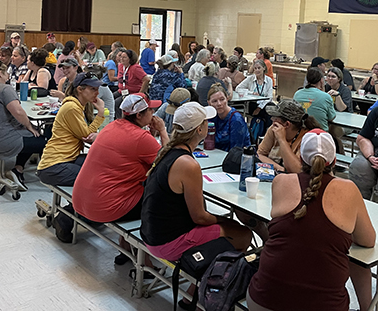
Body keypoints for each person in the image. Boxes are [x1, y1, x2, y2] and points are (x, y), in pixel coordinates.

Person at [247, 130, 376, 311]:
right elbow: (367, 241)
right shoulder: (349, 189)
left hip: (263, 300)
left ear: (300, 158)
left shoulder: (281, 182)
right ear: (335, 161)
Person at [140, 102, 253, 262]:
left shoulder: (167, 151)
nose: (209, 124)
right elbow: (199, 217)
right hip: (167, 242)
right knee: (243, 234)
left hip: (151, 233)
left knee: (229, 227)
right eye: (206, 121)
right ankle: (210, 279)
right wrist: (224, 219)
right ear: (199, 129)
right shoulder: (188, 164)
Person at [73, 93, 168, 256]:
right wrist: (162, 130)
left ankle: (127, 246)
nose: (154, 114)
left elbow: (142, 155)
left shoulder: (112, 126)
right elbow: (170, 163)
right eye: (151, 110)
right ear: (139, 115)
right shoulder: (140, 137)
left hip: (81, 201)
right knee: (164, 198)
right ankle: (144, 257)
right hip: (107, 208)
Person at [0, 61, 46, 191]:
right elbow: (18, 111)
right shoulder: (5, 89)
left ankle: (8, 168)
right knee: (42, 139)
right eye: (6, 73)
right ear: (0, 73)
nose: (8, 75)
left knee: (25, 134)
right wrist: (29, 126)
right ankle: (18, 169)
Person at [37, 72, 106, 189]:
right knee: (95, 177)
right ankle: (75, 207)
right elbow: (86, 135)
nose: (97, 93)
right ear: (80, 89)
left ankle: (73, 206)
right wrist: (100, 114)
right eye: (93, 89)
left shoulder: (78, 106)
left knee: (99, 165)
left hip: (67, 159)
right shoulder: (71, 107)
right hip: (53, 166)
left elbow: (86, 133)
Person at [258, 99, 321, 173]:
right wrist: (279, 168)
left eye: (275, 118)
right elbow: (260, 155)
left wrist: (282, 140)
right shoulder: (273, 129)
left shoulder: (307, 139)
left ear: (287, 124)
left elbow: (297, 170)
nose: (272, 119)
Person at [207, 83, 250, 151]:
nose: (219, 104)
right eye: (214, 101)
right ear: (209, 103)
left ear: (227, 99)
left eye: (222, 99)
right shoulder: (211, 116)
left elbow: (236, 150)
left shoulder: (236, 119)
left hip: (235, 157)